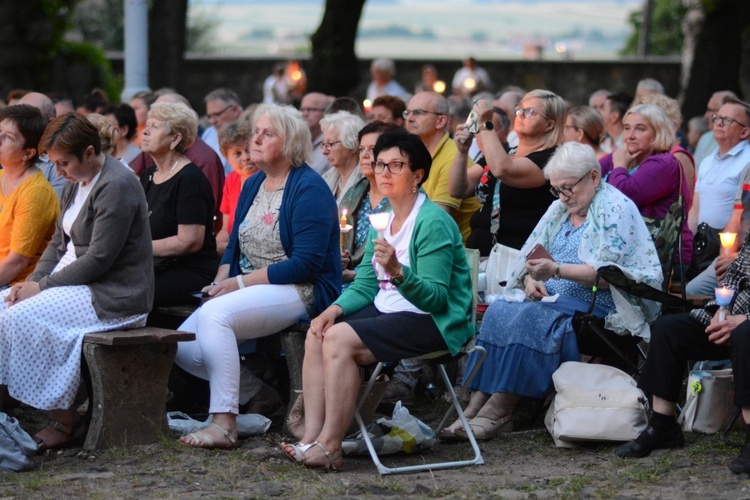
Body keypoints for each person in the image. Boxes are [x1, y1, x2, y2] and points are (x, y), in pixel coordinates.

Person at [281, 129, 474, 470]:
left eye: (395, 165)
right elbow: (367, 285)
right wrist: (333, 309)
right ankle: (311, 437)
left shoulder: (433, 222)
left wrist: (399, 272)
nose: (384, 172)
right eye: (380, 164)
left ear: (417, 175)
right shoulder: (381, 220)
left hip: (433, 320)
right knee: (319, 330)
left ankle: (331, 445)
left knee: (339, 338)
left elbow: (436, 299)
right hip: (388, 310)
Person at [444, 142, 662, 442]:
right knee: (499, 311)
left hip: (601, 308)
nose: (563, 196)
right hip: (555, 301)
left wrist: (555, 270)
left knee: (530, 318)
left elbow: (610, 276)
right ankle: (476, 404)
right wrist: (531, 281)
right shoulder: (560, 208)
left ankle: (501, 408)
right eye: (557, 189)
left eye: (569, 187)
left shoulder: (615, 209)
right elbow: (533, 257)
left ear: (594, 178)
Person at [174, 104, 341, 449]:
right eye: (256, 132)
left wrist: (236, 284)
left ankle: (224, 422)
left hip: (300, 288)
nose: (256, 139)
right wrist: (221, 279)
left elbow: (305, 265)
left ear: (292, 142)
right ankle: (259, 392)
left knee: (216, 317)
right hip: (249, 284)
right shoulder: (253, 184)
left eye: (268, 133)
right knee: (181, 343)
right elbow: (234, 243)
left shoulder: (309, 188)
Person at [0, 112, 154, 450]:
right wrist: (35, 282)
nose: (58, 172)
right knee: (4, 306)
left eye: (63, 162)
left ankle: (62, 419)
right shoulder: (74, 179)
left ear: (89, 152)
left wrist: (39, 288)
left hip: (112, 294)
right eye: (54, 163)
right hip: (74, 282)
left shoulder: (117, 184)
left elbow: (99, 260)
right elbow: (58, 244)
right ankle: (8, 408)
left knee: (21, 316)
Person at [616, 231, 750, 475]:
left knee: (746, 333)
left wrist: (744, 319)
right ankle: (662, 424)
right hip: (733, 313)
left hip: (746, 324)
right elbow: (736, 276)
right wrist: (723, 311)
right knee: (669, 329)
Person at [449, 90, 563, 254]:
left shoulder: (549, 159)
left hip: (515, 259)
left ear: (550, 125)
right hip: (480, 254)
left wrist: (485, 125)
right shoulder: (505, 154)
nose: (521, 115)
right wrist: (462, 152)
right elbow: (457, 189)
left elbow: (503, 170)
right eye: (520, 109)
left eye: (530, 112)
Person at [139, 102, 219, 307]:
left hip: (188, 271)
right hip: (155, 265)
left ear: (175, 139)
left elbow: (189, 242)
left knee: (127, 292)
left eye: (154, 127)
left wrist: (139, 248)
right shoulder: (148, 175)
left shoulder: (190, 179)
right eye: (147, 125)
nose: (145, 131)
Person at [600, 103, 693, 268]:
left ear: (658, 133)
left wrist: (620, 166)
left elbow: (622, 197)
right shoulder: (628, 154)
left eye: (640, 129)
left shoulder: (664, 164)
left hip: (661, 256)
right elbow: (588, 174)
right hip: (630, 250)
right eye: (627, 128)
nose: (630, 136)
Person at [404, 91, 480, 244]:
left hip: (450, 253)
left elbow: (437, 220)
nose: (409, 119)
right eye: (407, 113)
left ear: (440, 121)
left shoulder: (452, 158)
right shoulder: (414, 155)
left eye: (418, 113)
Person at [0, 105, 59, 285]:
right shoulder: (2, 175)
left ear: (28, 153)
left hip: (16, 286)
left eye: (8, 137)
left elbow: (16, 263)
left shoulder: (35, 193)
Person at [340, 121, 399, 284]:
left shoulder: (402, 196)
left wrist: (354, 275)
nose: (364, 155)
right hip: (346, 279)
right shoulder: (355, 193)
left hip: (384, 283)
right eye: (361, 149)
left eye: (372, 149)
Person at [216, 122, 258, 256]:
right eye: (237, 153)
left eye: (248, 150)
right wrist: (218, 244)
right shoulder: (231, 180)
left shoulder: (267, 177)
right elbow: (225, 228)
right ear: (227, 159)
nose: (245, 158)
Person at [320, 111, 366, 203]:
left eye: (330, 144)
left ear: (353, 145)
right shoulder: (325, 179)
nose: (324, 151)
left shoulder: (367, 182)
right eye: (323, 144)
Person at [201, 88, 243, 175]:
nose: (212, 121)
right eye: (209, 116)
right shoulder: (208, 133)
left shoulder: (250, 135)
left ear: (235, 110)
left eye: (217, 114)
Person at [300, 92, 333, 175]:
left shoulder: (333, 143)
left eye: (310, 109)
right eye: (302, 110)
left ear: (326, 113)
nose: (305, 114)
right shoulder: (300, 142)